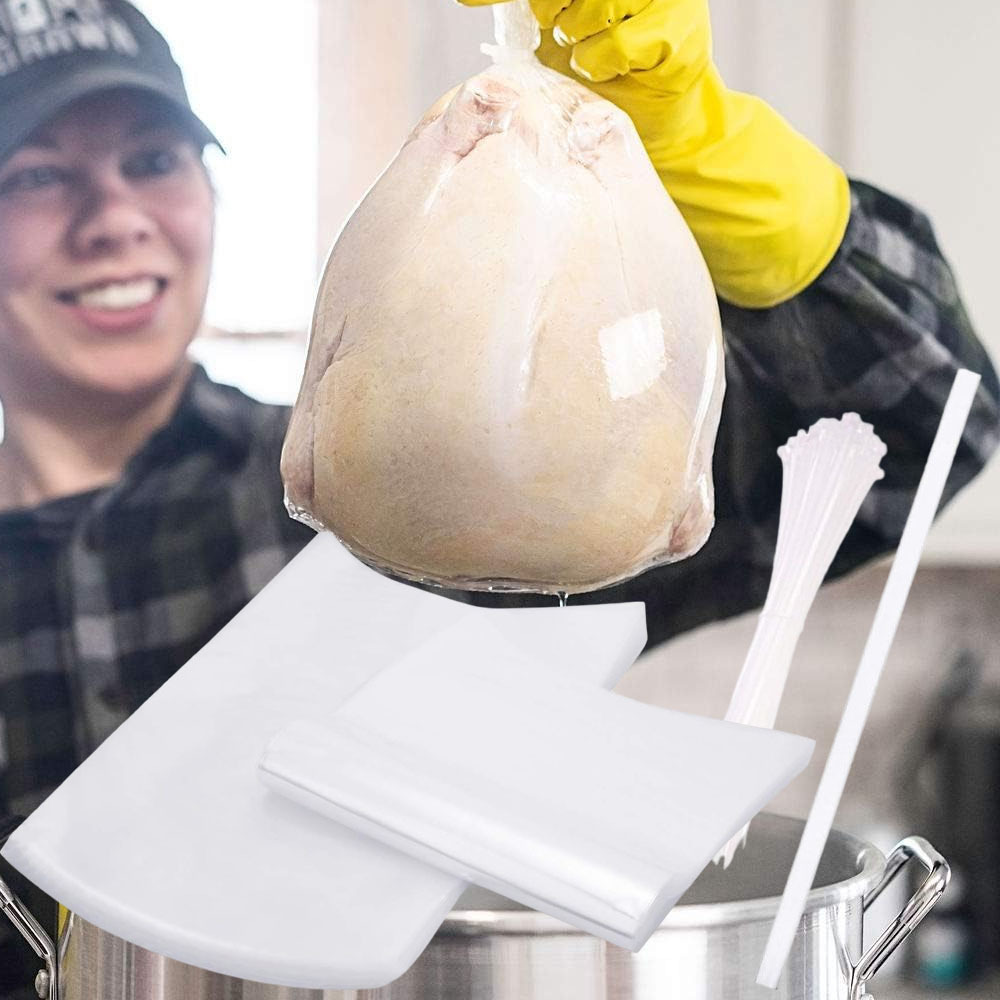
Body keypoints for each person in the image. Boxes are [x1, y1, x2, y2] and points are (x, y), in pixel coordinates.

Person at [0, 0, 995, 996]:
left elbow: (920, 417)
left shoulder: (414, 497)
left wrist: (707, 145)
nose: (117, 219)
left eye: (155, 161)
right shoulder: (348, 503)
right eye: (39, 176)